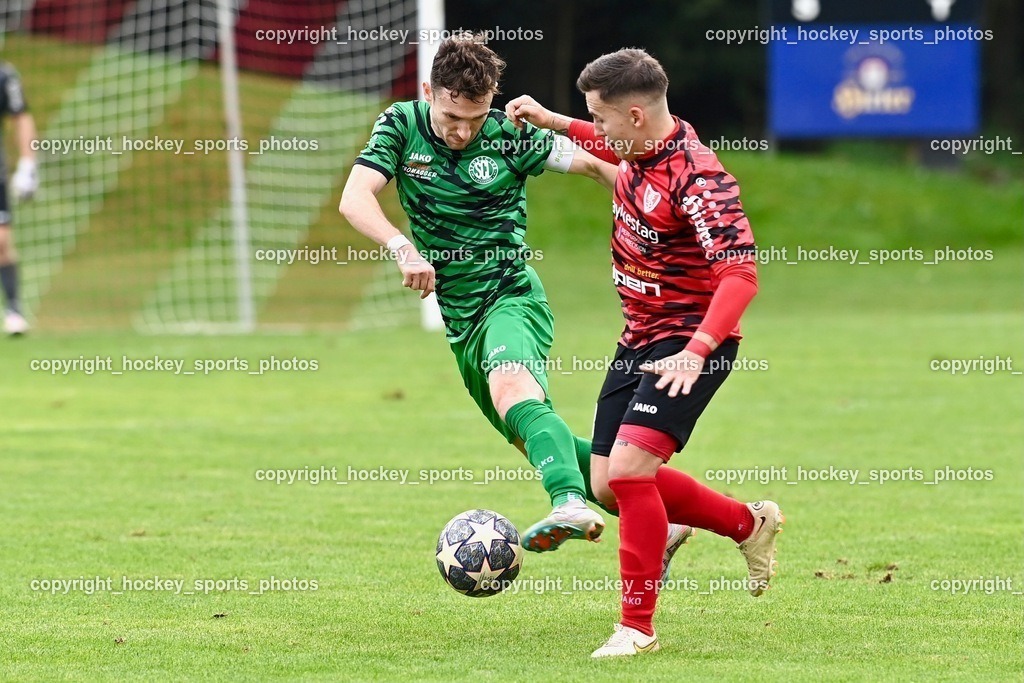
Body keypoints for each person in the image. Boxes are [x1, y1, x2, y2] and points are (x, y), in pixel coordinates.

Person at [506, 48, 783, 657]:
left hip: (688, 344)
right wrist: (554, 120)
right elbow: (602, 147)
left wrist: (697, 349)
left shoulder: (700, 179)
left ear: (634, 114)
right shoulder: (637, 148)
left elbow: (740, 274)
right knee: (607, 484)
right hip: (637, 339)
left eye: (601, 118)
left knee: (632, 474)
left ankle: (636, 629)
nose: (596, 130)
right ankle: (748, 523)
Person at [340, 35, 619, 552]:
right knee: (539, 436)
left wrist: (664, 202)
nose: (464, 131)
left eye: (476, 116)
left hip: (510, 295)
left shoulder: (510, 133)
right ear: (429, 92)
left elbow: (598, 167)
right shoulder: (401, 125)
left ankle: (568, 503)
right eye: (452, 117)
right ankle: (695, 517)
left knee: (514, 390)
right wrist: (402, 247)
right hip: (461, 319)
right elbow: (354, 198)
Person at [0, 61, 39, 335]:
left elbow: (21, 116)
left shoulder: (4, 76)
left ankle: (14, 309)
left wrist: (27, 165)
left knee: (1, 241)